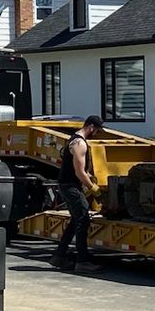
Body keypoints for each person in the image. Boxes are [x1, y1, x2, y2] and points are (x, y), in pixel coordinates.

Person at [54, 113, 102, 270]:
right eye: (97, 131)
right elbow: (79, 172)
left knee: (76, 220)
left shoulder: (74, 139)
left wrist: (90, 177)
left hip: (67, 184)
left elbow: (81, 170)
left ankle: (59, 257)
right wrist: (93, 188)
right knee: (83, 219)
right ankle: (82, 261)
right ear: (91, 127)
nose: (97, 135)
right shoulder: (80, 143)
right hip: (70, 186)